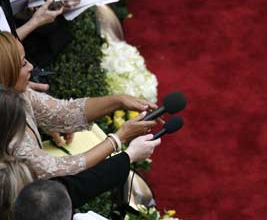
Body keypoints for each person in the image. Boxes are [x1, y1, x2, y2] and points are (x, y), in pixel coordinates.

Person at [0, 87, 161, 220]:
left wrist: (118, 101)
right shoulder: (18, 169)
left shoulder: (11, 175)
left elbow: (74, 186)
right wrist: (120, 142)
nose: (31, 66)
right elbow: (71, 183)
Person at [0, 31, 159, 179]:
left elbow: (63, 113)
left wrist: (119, 100)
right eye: (22, 64)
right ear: (4, 75)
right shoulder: (8, 133)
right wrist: (118, 138)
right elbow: (57, 169)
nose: (31, 67)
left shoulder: (19, 93)